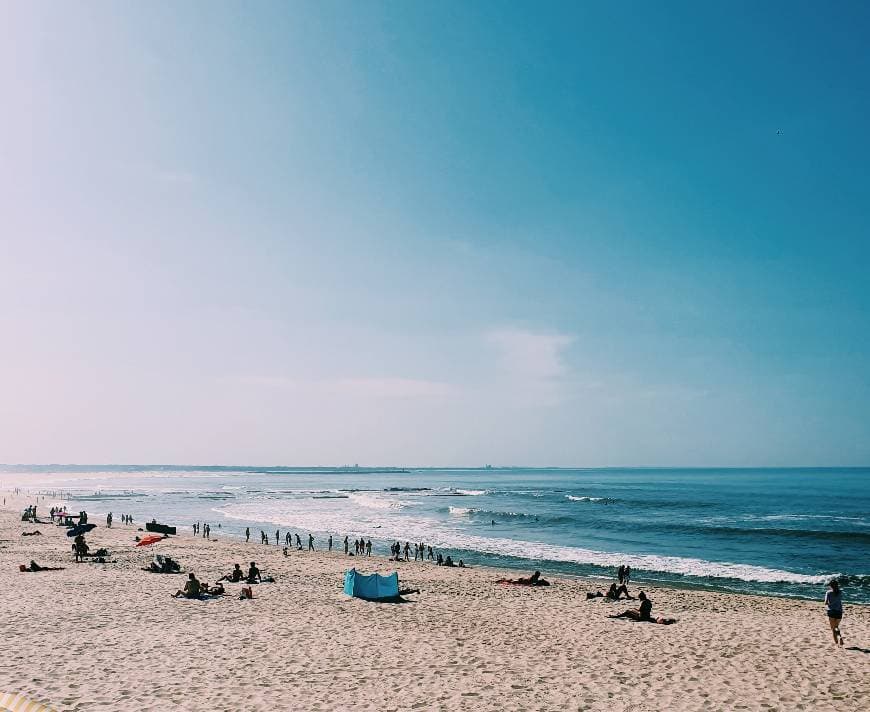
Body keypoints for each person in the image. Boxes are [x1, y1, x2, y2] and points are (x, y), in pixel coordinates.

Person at [825, 579, 844, 646]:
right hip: (839, 611)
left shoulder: (828, 592)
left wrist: (830, 603)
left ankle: (837, 643)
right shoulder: (840, 592)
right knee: (836, 627)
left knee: (833, 628)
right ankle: (840, 637)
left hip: (831, 611)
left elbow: (825, 603)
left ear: (830, 586)